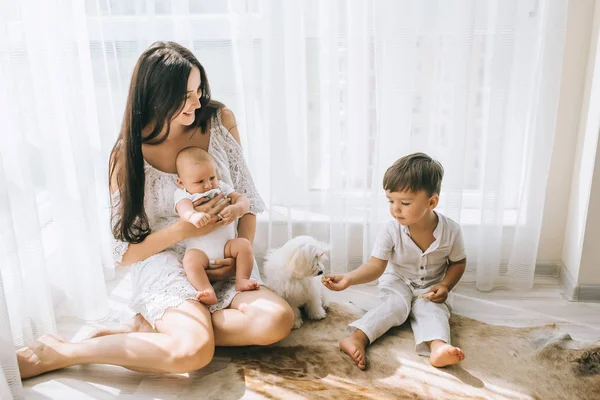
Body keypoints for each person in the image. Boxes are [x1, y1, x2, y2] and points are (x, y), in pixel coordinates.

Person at [17, 41, 294, 379]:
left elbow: (246, 200)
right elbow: (126, 254)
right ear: (157, 95)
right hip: (166, 262)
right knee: (193, 352)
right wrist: (185, 230)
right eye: (186, 95)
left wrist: (238, 254)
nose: (198, 101)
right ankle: (64, 351)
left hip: (224, 255)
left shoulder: (219, 121)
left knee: (276, 321)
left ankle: (157, 329)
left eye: (198, 90)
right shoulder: (127, 154)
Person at [323, 153, 467, 370]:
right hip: (397, 280)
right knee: (395, 305)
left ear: (431, 202)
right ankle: (356, 338)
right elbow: (375, 266)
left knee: (432, 309)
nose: (395, 209)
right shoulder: (390, 230)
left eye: (405, 203)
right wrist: (349, 278)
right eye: (391, 201)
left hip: (431, 285)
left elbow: (458, 263)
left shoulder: (452, 230)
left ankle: (438, 347)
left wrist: (446, 285)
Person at [174, 146, 259, 305]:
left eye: (212, 177)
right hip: (201, 251)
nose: (208, 185)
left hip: (227, 247)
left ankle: (242, 279)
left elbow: (243, 199)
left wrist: (237, 208)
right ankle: (206, 289)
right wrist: (193, 216)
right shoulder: (184, 194)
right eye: (200, 181)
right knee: (190, 261)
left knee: (243, 245)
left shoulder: (221, 187)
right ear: (181, 182)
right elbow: (183, 209)